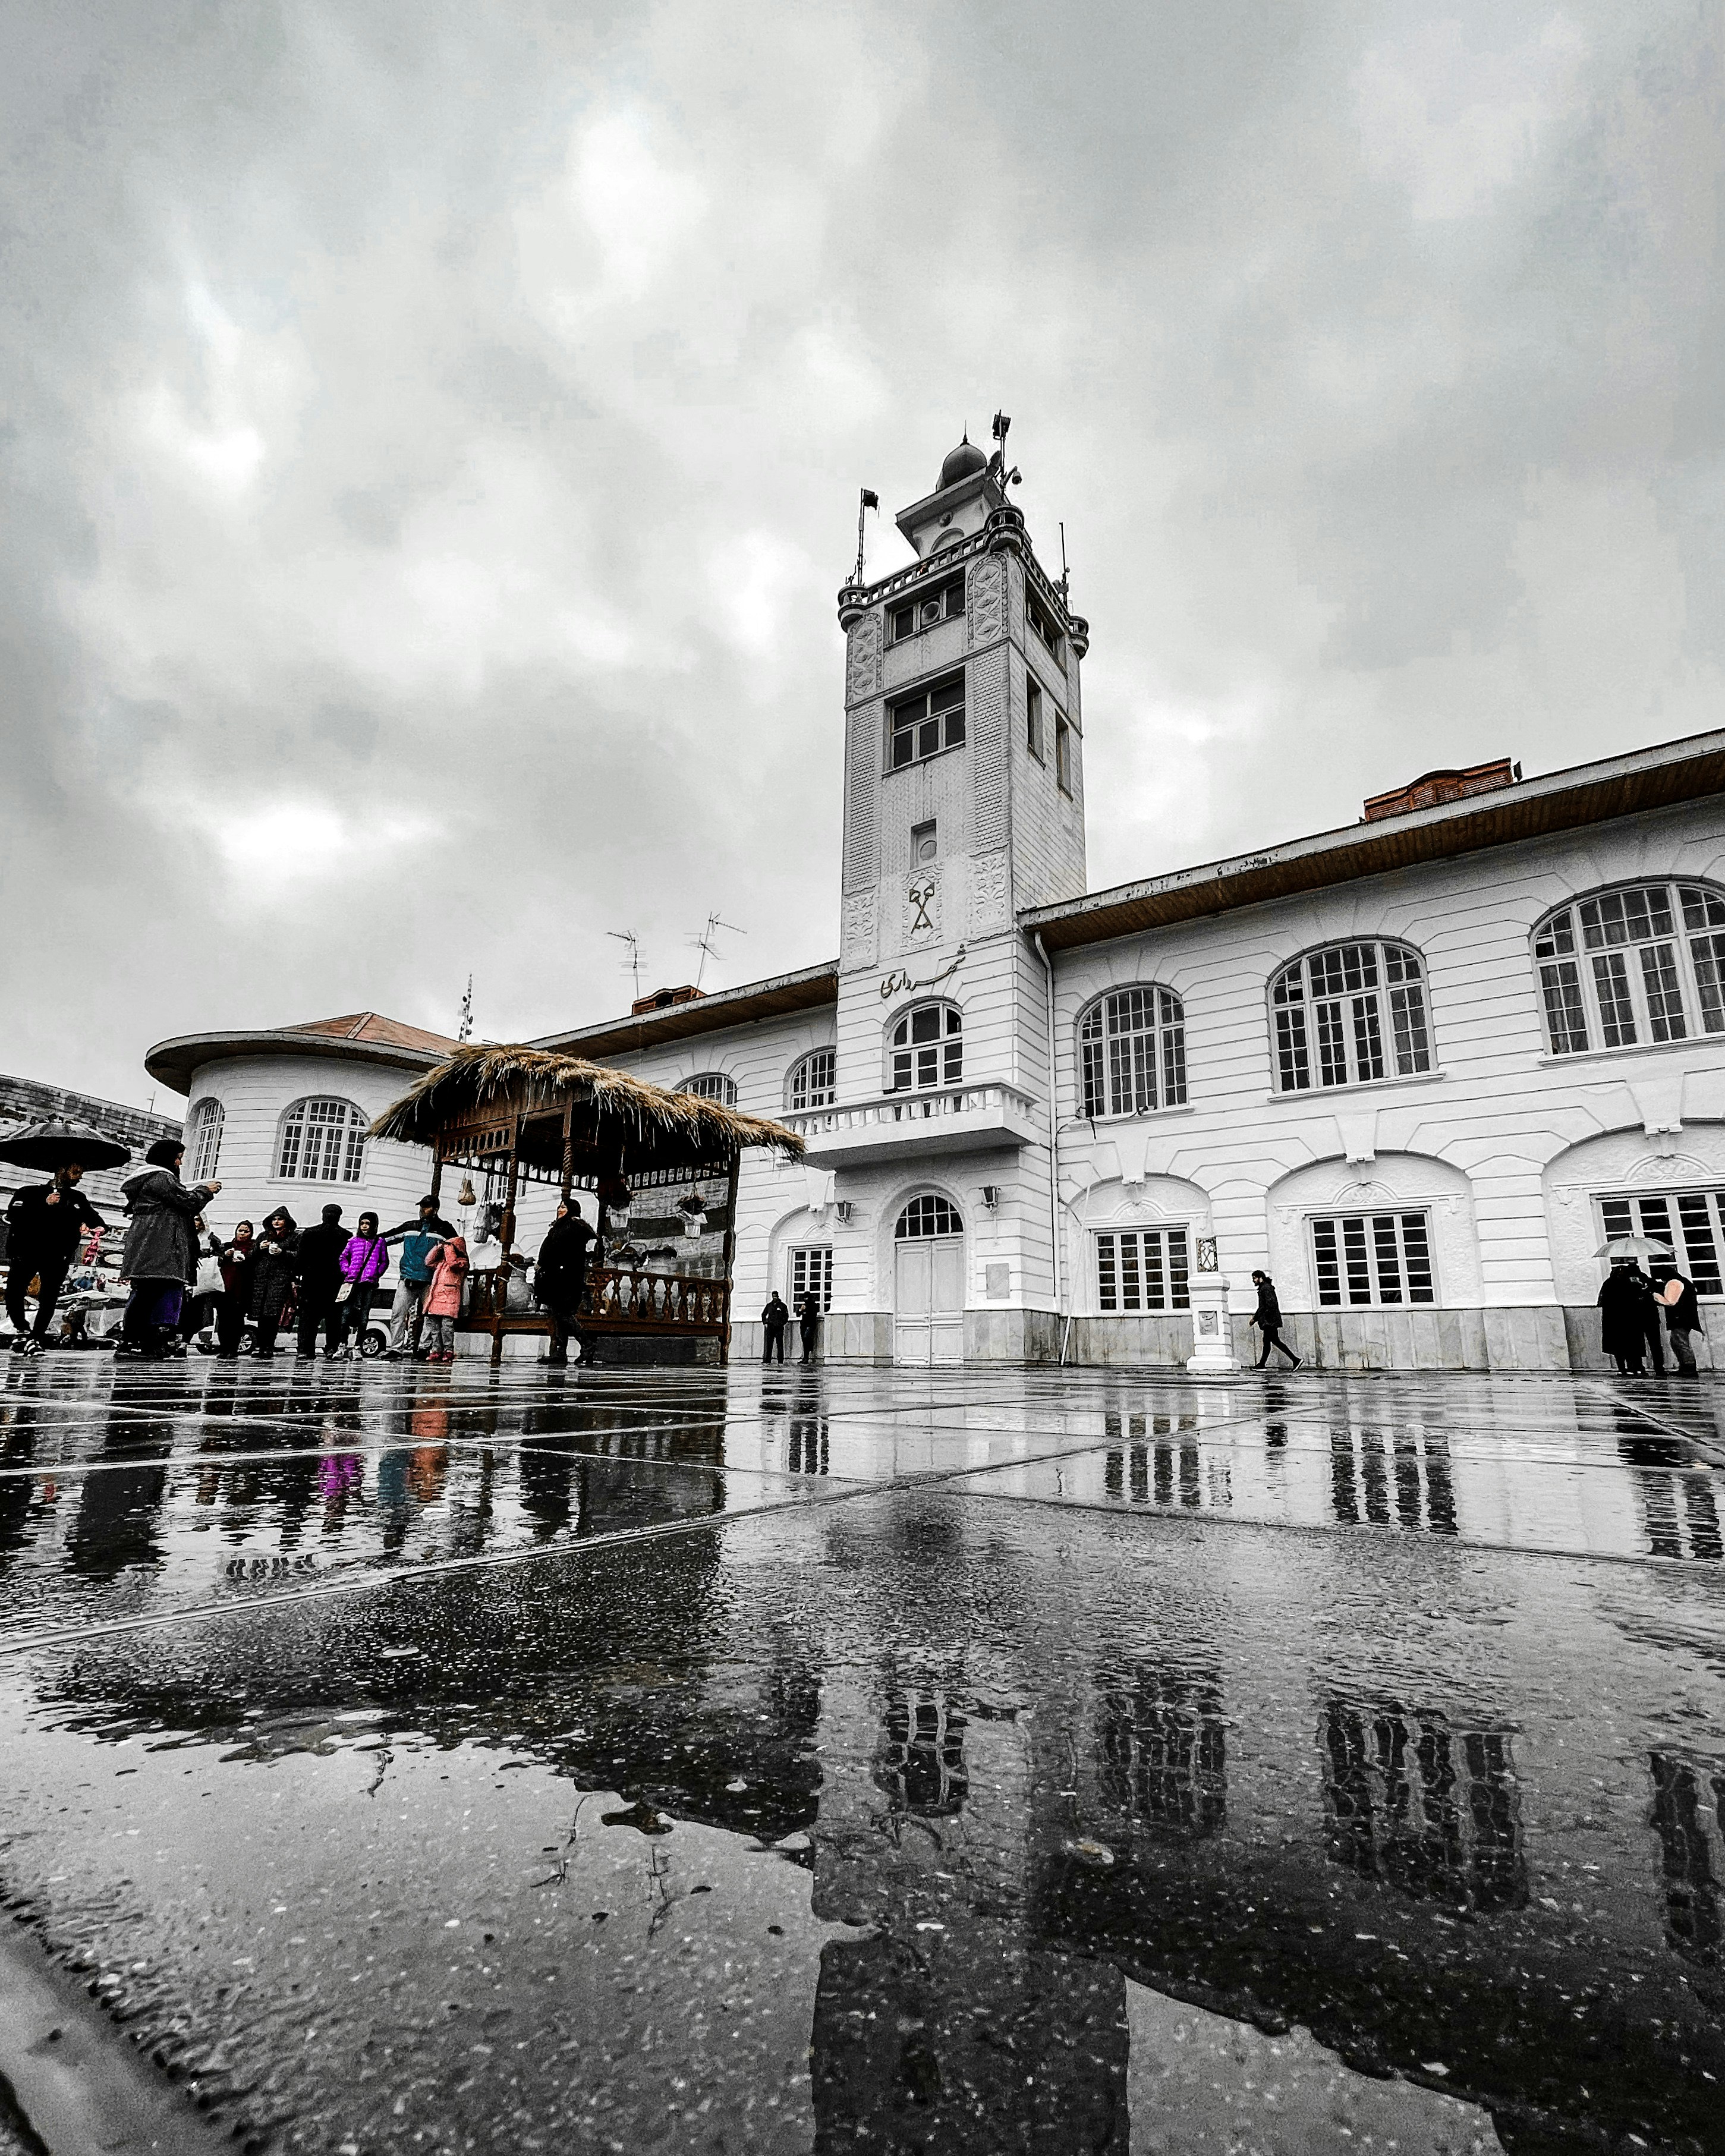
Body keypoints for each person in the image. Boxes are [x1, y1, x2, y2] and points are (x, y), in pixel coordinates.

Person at [117, 1140, 220, 1357]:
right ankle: (133, 1342)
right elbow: (188, 1201)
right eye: (178, 1157)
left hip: (153, 1246)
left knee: (150, 1294)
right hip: (160, 1247)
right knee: (150, 1295)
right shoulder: (161, 1178)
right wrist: (205, 1190)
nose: (179, 1163)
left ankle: (146, 1342)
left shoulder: (151, 1180)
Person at [5, 1164, 105, 1356]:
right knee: (14, 1292)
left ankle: (36, 1337)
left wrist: (99, 1227)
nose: (79, 1178)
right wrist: (44, 1204)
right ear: (61, 1171)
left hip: (57, 1255)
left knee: (49, 1298)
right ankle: (22, 1329)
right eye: (76, 1173)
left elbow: (93, 1217)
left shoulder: (77, 1198)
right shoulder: (28, 1193)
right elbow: (13, 1216)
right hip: (26, 1252)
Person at [382, 1197, 456, 1359]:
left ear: (436, 1209)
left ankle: (424, 1348)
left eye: (427, 1207)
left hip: (431, 1281)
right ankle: (396, 1349)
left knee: (430, 1317)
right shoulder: (410, 1226)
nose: (422, 1209)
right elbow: (384, 1239)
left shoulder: (445, 1229)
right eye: (422, 1206)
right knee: (398, 1313)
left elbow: (457, 1250)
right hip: (408, 1278)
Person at [536, 1198, 595, 1367]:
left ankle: (587, 1344)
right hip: (559, 1277)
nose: (559, 1209)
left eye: (563, 1207)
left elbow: (560, 1252)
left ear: (572, 1210)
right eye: (560, 1206)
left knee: (564, 1314)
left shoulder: (570, 1228)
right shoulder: (563, 1226)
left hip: (565, 1279)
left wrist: (547, 1264)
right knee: (559, 1314)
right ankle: (561, 1352)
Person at [292, 1203, 348, 1358]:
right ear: (339, 1217)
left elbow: (300, 1259)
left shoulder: (310, 1233)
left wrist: (297, 1276)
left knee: (308, 1319)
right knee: (334, 1319)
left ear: (323, 1215)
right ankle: (331, 1349)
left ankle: (305, 1350)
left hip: (312, 1282)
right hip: (336, 1283)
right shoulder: (346, 1235)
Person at [334, 1212, 390, 1359]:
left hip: (368, 1284)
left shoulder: (379, 1242)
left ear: (374, 1225)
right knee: (346, 1315)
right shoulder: (353, 1241)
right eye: (362, 1223)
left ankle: (358, 1347)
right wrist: (347, 1270)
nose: (365, 1226)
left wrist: (375, 1274)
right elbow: (343, 1257)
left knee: (364, 1317)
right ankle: (342, 1346)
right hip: (352, 1283)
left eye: (368, 1223)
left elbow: (385, 1262)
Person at [250, 1208, 300, 1358]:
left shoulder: (293, 1238)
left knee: (273, 1315)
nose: (276, 1222)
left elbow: (299, 1256)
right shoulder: (263, 1236)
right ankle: (261, 1347)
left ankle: (269, 1347)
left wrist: (283, 1253)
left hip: (280, 1280)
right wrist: (259, 1249)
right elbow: (252, 1257)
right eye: (274, 1219)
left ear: (286, 1221)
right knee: (261, 1315)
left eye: (280, 1219)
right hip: (261, 1280)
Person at [1651, 1260, 1705, 1376]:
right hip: (1685, 1317)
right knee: (1676, 1342)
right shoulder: (1684, 1281)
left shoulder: (1674, 1283)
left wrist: (1656, 1296)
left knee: (1680, 1342)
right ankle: (1686, 1366)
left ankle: (1689, 1368)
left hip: (1680, 1317)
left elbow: (1670, 1302)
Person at [421, 1232, 469, 1362]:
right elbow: (428, 1261)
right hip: (436, 1298)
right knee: (435, 1327)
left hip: (450, 1298)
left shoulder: (462, 1263)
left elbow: (453, 1263)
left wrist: (449, 1247)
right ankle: (437, 1350)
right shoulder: (441, 1264)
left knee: (447, 1326)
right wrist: (438, 1247)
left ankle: (448, 1350)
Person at [1597, 1260, 1651, 1374]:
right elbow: (1640, 1298)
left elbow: (1602, 1302)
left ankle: (1623, 1369)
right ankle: (1637, 1368)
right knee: (1633, 1345)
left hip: (1614, 1322)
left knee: (1618, 1348)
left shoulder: (1609, 1283)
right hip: (1631, 1321)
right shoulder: (1631, 1283)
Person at [216, 1221, 257, 1357]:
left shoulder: (253, 1248)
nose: (243, 1234)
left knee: (237, 1321)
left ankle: (233, 1349)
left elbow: (255, 1266)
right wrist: (225, 1256)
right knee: (223, 1320)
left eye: (246, 1231)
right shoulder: (228, 1246)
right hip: (225, 1289)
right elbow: (216, 1261)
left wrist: (245, 1260)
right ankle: (223, 1348)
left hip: (242, 1290)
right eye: (240, 1231)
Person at [1248, 1270, 1302, 1370]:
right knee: (1269, 1342)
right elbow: (1264, 1306)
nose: (1253, 1281)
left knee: (1274, 1342)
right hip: (1270, 1321)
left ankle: (1296, 1360)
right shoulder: (1265, 1288)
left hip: (1270, 1321)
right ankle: (1262, 1365)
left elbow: (1268, 1306)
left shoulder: (1266, 1289)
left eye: (1254, 1278)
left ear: (1260, 1278)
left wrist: (1258, 1318)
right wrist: (1257, 1318)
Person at [761, 1291, 789, 1364]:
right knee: (769, 1344)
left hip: (779, 1327)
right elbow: (764, 1314)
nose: (775, 1298)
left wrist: (781, 1323)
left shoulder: (782, 1306)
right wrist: (766, 1322)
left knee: (779, 1344)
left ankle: (780, 1360)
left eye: (776, 1296)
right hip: (770, 1326)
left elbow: (786, 1316)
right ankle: (768, 1360)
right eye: (774, 1296)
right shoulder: (769, 1305)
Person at [796, 1287, 821, 1365]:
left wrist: (807, 1311)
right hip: (804, 1324)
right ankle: (805, 1357)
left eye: (807, 1298)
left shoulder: (814, 1305)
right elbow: (798, 1314)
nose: (805, 1299)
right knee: (804, 1340)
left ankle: (808, 1355)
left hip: (810, 1325)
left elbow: (814, 1313)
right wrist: (801, 1310)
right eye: (804, 1298)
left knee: (807, 1338)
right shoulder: (803, 1305)